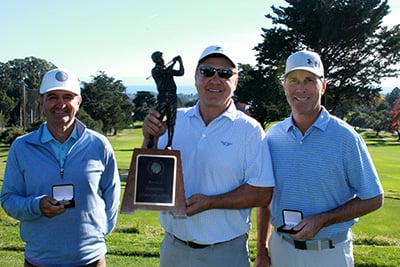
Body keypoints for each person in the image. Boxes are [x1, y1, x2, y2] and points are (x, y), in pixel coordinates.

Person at [142, 45, 275, 267]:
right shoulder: (171, 122)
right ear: (195, 77)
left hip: (225, 252)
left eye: (224, 73)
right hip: (173, 248)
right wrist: (148, 139)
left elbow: (262, 194)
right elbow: (148, 175)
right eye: (206, 71)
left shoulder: (250, 130)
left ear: (235, 81)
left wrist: (211, 202)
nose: (215, 79)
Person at [255, 50, 384, 267]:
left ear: (323, 86)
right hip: (281, 250)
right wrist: (261, 250)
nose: (301, 88)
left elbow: (374, 198)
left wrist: (324, 219)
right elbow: (265, 200)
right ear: (284, 86)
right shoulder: (273, 137)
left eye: (310, 80)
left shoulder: (345, 137)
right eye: (294, 80)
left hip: (329, 253)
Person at [0, 68, 121, 267]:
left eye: (68, 97)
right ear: (41, 101)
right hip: (39, 261)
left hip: (91, 259)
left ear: (78, 102)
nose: (61, 104)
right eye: (52, 97)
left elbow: (112, 193)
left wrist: (100, 233)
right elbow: (8, 200)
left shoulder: (99, 144)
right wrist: (36, 206)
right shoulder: (21, 147)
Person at [149, 51, 184, 149]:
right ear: (156, 60)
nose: (163, 59)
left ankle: (169, 144)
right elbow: (167, 71)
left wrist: (180, 62)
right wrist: (174, 62)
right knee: (157, 119)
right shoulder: (155, 71)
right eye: (161, 58)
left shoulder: (166, 70)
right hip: (163, 97)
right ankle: (151, 140)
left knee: (171, 121)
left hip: (172, 96)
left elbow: (181, 72)